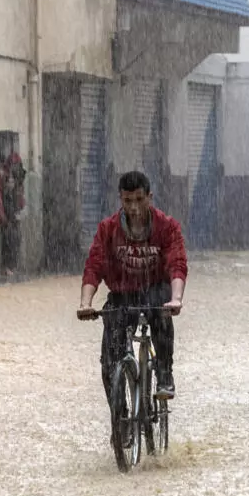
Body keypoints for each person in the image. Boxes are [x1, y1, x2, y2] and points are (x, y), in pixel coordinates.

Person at [77, 171, 188, 401]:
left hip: (155, 291)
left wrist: (176, 298)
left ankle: (165, 374)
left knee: (162, 316)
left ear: (150, 197)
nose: (134, 207)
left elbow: (177, 263)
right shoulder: (108, 230)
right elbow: (93, 267)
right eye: (128, 201)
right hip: (122, 294)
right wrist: (85, 303)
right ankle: (120, 422)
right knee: (110, 360)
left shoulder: (167, 227)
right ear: (121, 200)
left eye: (139, 200)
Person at [0, 153, 25, 277]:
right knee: (8, 241)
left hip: (13, 215)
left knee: (15, 240)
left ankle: (11, 266)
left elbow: (21, 201)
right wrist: (2, 215)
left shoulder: (17, 179)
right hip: (6, 216)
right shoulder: (1, 178)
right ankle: (7, 266)